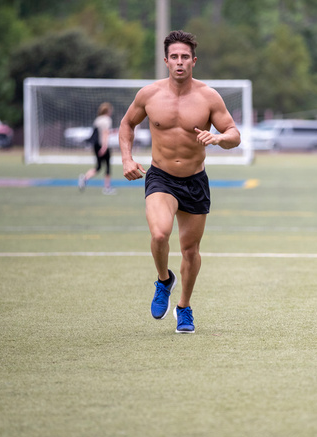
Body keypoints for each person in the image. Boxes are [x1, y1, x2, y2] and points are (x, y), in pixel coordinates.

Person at [120, 30, 241, 334]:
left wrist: (218, 138)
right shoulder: (149, 95)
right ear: (165, 60)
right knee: (160, 234)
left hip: (195, 181)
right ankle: (163, 281)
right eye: (174, 56)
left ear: (193, 61)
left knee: (190, 250)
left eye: (185, 57)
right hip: (160, 177)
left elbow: (234, 135)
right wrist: (126, 158)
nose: (179, 62)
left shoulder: (208, 97)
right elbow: (126, 124)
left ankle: (184, 307)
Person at [79, 102, 116, 195]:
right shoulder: (107, 120)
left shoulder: (98, 119)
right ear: (107, 110)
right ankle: (107, 188)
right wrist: (104, 146)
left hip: (95, 145)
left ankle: (85, 178)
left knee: (98, 166)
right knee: (107, 166)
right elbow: (105, 133)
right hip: (103, 145)